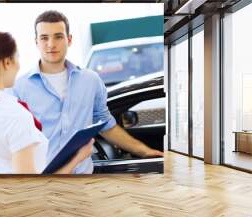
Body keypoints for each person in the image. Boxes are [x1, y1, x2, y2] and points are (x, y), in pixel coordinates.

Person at [12, 10, 164, 174]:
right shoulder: (19, 88)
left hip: (83, 178)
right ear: (36, 41)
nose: (51, 44)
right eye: (44, 38)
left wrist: (144, 151)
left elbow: (106, 124)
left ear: (69, 40)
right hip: (44, 180)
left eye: (58, 36)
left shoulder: (90, 81)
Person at [0, 30, 93, 174]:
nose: (19, 65)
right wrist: (78, 158)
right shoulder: (14, 115)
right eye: (17, 58)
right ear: (7, 62)